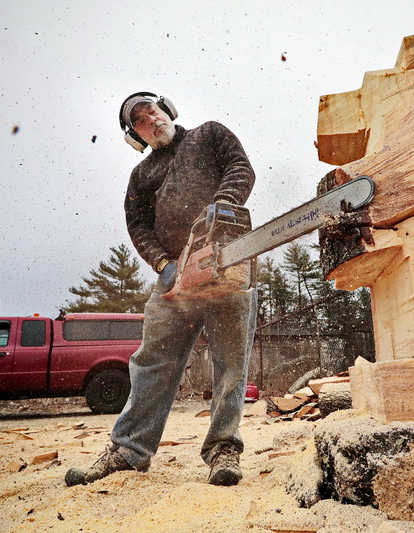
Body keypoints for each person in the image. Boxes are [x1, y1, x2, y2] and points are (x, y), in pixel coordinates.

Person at [65, 92, 258, 487]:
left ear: (166, 108)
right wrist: (163, 264)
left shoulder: (209, 135)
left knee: (231, 364)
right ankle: (129, 449)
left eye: (151, 111)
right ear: (134, 135)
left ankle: (223, 449)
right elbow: (137, 225)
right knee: (152, 361)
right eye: (138, 121)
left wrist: (222, 207)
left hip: (226, 262)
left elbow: (241, 168)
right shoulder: (141, 175)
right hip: (174, 278)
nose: (149, 120)